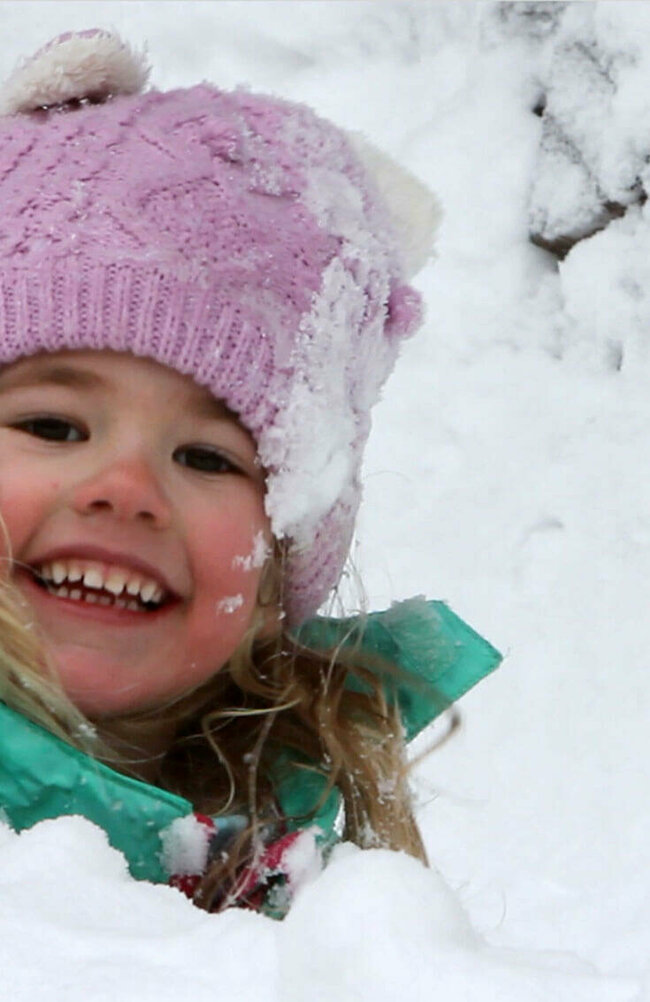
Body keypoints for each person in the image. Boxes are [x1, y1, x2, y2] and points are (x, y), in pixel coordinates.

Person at [0, 29, 500, 918]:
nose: (125, 489)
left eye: (207, 458)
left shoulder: (304, 914)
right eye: (51, 424)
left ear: (276, 582)